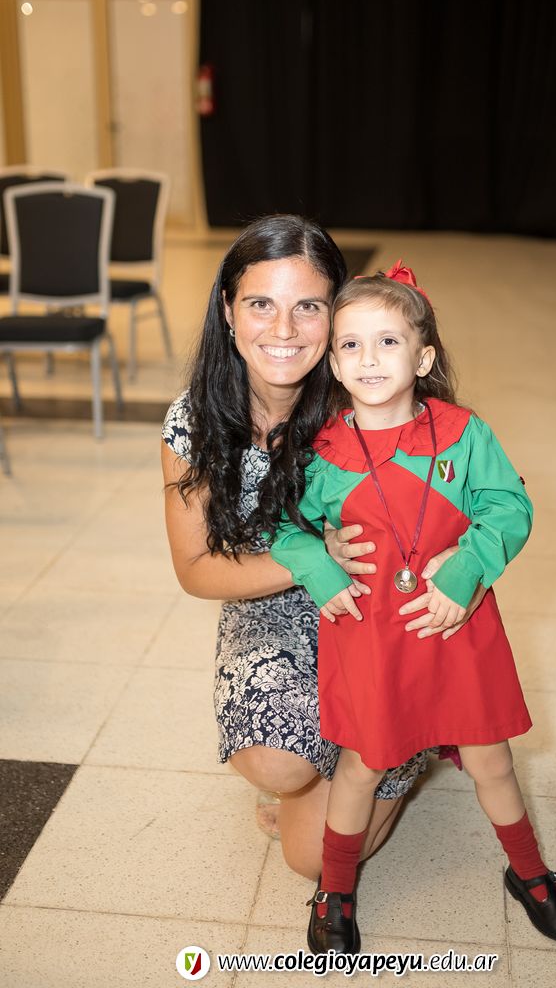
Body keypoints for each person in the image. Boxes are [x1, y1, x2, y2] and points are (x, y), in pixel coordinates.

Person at [270, 261, 556, 953]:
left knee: (491, 759)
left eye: (388, 341)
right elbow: (285, 529)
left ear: (423, 357)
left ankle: (529, 872)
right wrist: (319, 566)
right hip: (372, 635)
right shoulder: (322, 452)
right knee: (362, 765)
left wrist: (467, 567)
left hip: (457, 627)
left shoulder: (464, 434)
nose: (369, 358)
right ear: (333, 362)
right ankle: (335, 888)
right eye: (351, 344)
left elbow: (508, 506)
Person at [161, 218, 482, 882]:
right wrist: (310, 558)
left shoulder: (369, 391)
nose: (283, 329)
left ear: (336, 313)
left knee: (312, 858)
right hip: (272, 601)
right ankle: (332, 756)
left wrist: (461, 562)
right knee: (278, 765)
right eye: (260, 303)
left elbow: (477, 497)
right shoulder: (194, 420)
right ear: (227, 309)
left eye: (308, 306)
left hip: (382, 611)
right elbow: (195, 571)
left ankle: (405, 746)